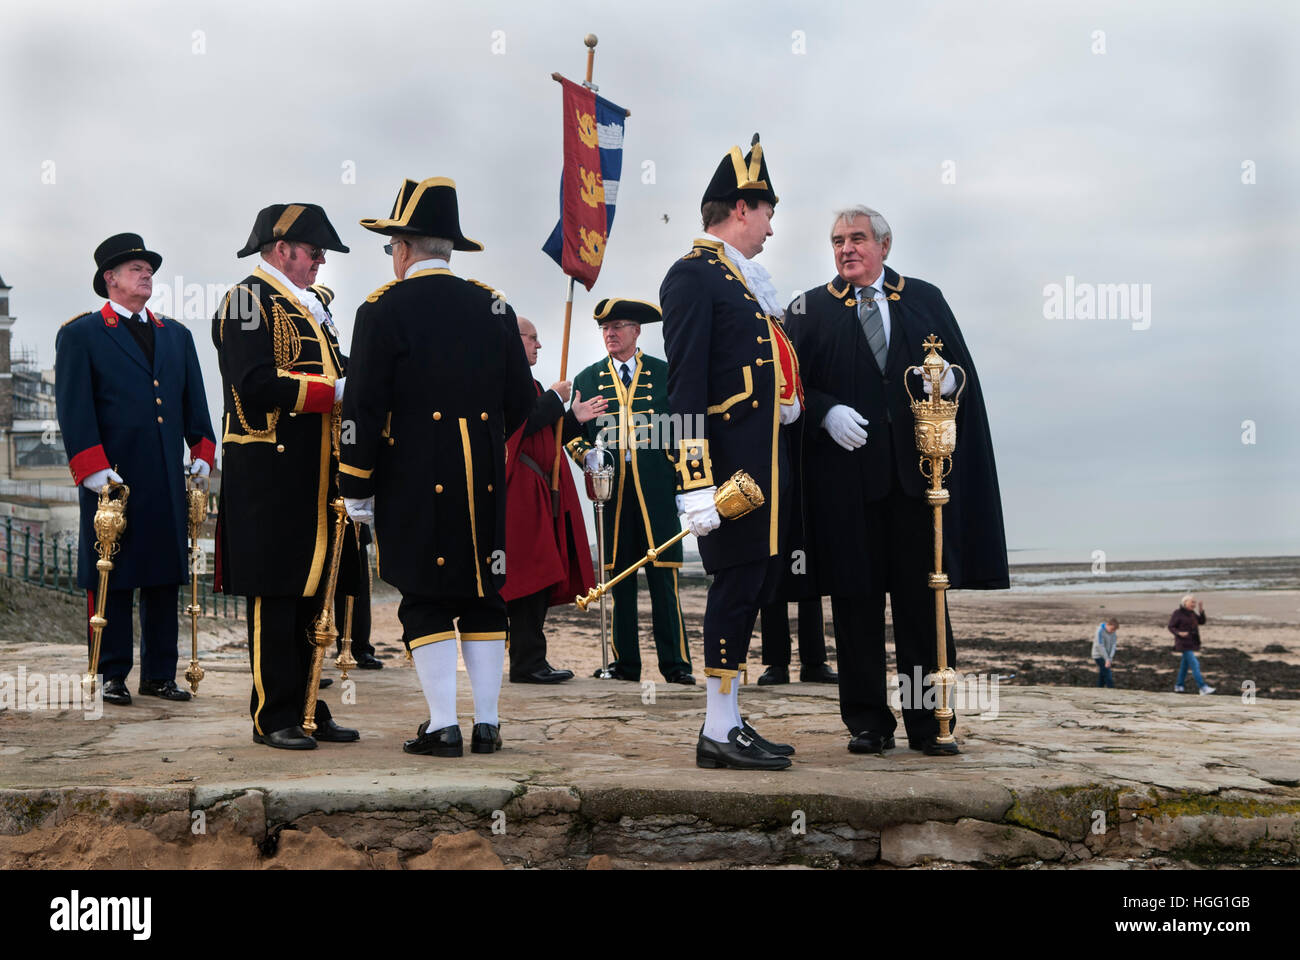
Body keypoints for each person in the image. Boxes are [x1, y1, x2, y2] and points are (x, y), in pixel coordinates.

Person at [785, 205, 1008, 757]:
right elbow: (789, 388)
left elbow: (960, 377)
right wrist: (826, 413)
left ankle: (931, 722)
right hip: (847, 487)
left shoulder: (925, 298)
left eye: (857, 238)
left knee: (921, 605)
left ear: (884, 245)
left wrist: (949, 382)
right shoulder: (811, 309)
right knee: (856, 604)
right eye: (837, 240)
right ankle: (868, 722)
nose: (846, 249)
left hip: (918, 486)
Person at [340, 176, 534, 757]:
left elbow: (362, 408)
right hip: (483, 473)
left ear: (402, 248)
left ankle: (443, 725)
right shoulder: (494, 304)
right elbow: (521, 400)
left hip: (411, 476)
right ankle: (489, 724)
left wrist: (357, 484)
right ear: (448, 247)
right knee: (483, 591)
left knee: (424, 594)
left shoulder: (380, 308)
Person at [660, 136, 803, 771]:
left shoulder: (740, 282)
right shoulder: (694, 276)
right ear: (742, 208)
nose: (772, 227)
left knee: (752, 584)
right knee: (735, 585)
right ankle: (717, 729)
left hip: (762, 467)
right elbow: (684, 386)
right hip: (727, 471)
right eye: (768, 212)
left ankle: (731, 720)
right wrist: (692, 483)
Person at [212, 203, 360, 750]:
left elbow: (338, 367)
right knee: (276, 593)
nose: (321, 262)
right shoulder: (246, 301)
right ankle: (272, 715)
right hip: (269, 472)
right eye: (314, 252)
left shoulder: (311, 304)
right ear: (281, 250)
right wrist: (335, 393)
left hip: (318, 471)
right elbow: (253, 382)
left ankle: (307, 708)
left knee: (313, 592)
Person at [55, 233, 216, 707]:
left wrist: (202, 450)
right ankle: (111, 673)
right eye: (135, 268)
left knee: (165, 576)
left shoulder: (177, 336)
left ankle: (160, 674)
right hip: (112, 482)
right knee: (114, 576)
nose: (146, 274)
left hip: (166, 476)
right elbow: (75, 408)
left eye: (148, 268)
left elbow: (194, 403)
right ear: (110, 279)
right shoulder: (82, 334)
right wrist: (93, 469)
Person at [566, 299, 695, 685]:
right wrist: (586, 455)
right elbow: (571, 434)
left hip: (657, 493)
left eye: (619, 326)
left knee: (664, 583)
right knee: (618, 582)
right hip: (613, 498)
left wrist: (685, 486)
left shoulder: (664, 373)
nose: (611, 333)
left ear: (637, 331)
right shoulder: (587, 379)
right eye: (605, 328)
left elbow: (685, 428)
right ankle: (625, 666)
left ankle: (676, 666)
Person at [500, 316, 603, 684]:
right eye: (532, 338)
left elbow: (544, 435)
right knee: (529, 574)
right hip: (518, 493)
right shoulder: (505, 381)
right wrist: (554, 400)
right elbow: (518, 427)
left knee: (540, 574)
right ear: (514, 341)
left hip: (538, 488)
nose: (539, 345)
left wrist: (572, 418)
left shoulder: (532, 384)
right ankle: (526, 662)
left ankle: (531, 658)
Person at [1169, 595, 1213, 694]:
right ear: (1185, 602)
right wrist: (1179, 633)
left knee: (1184, 666)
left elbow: (1202, 621)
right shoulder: (1178, 613)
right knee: (1195, 664)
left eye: (1195, 602)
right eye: (1192, 602)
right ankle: (1203, 687)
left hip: (1192, 642)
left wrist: (1201, 610)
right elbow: (1171, 626)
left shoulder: (1192, 613)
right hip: (1183, 642)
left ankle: (1179, 686)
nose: (1194, 604)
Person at [1092, 617, 1119, 688]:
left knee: (1102, 673)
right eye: (1112, 629)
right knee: (1108, 675)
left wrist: (1110, 658)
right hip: (1098, 656)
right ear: (1108, 625)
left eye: (1114, 630)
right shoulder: (1100, 631)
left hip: (1107, 657)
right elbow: (1100, 646)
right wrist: (1107, 659)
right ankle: (1112, 690)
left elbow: (1113, 645)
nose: (1112, 631)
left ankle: (1099, 688)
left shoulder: (1113, 632)